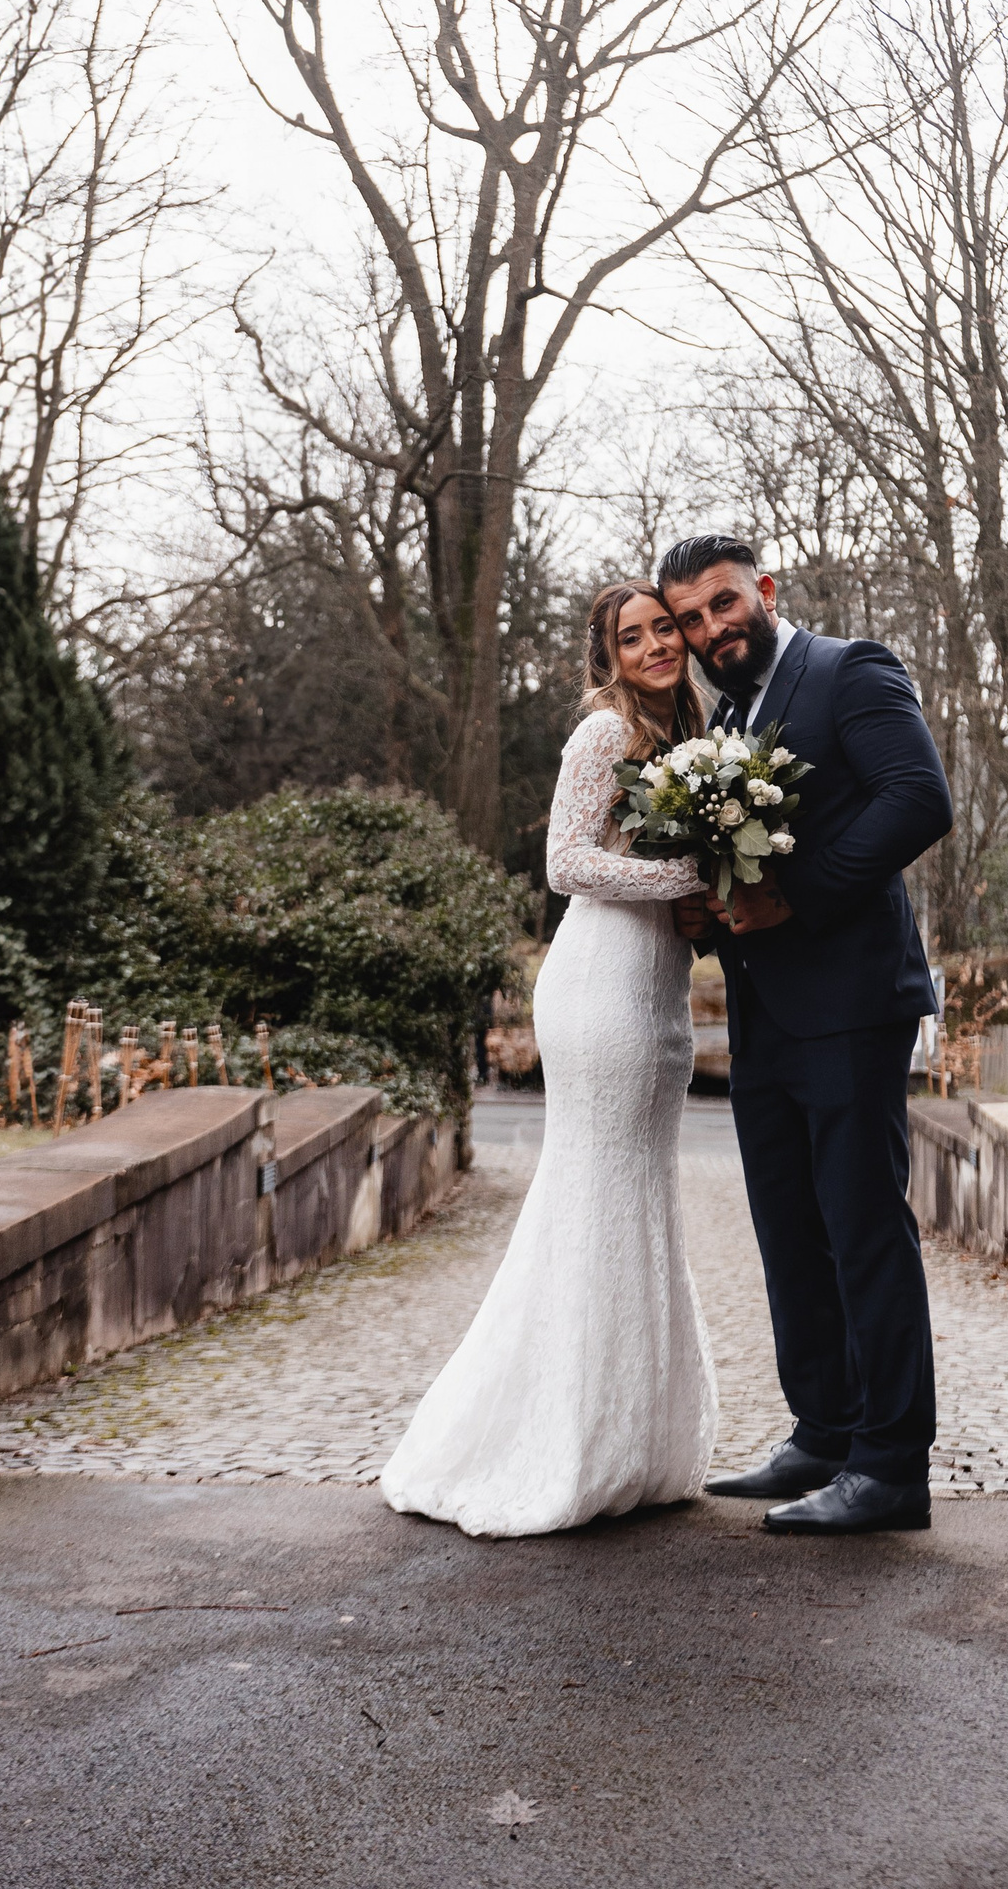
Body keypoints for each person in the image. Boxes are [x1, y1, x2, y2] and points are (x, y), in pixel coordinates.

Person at [380, 583, 717, 1536]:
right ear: (609, 656)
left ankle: (635, 1442)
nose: (655, 646)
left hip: (658, 988)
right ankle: (565, 1441)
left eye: (663, 628)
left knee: (642, 1191)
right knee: (594, 1189)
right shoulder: (603, 734)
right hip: (599, 983)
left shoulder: (693, 738)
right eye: (632, 637)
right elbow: (565, 863)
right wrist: (684, 874)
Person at [657, 531, 952, 1536]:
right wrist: (709, 911)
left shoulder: (849, 670)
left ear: (766, 591)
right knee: (790, 1234)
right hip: (764, 1016)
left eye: (723, 603)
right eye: (691, 618)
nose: (711, 629)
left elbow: (918, 800)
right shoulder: (725, 719)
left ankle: (890, 1466)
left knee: (862, 1230)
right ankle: (823, 1430)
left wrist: (797, 897)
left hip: (854, 1004)